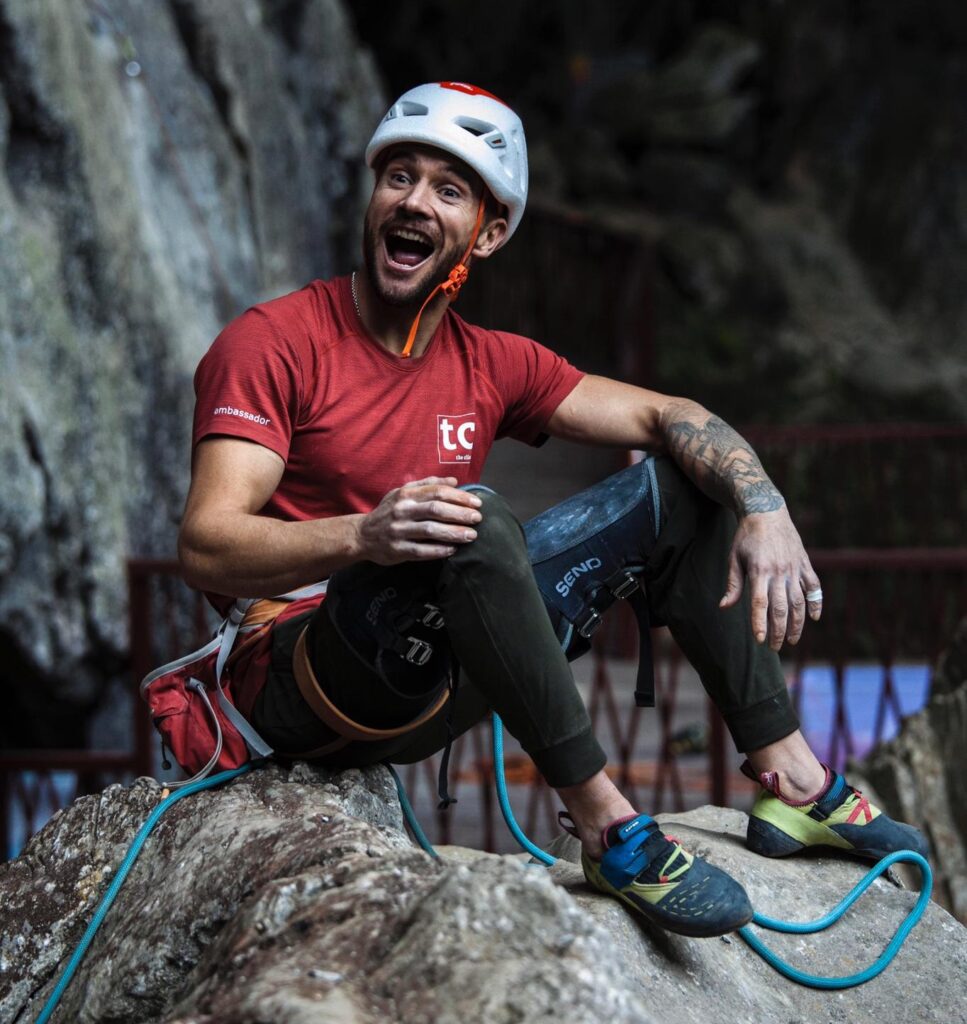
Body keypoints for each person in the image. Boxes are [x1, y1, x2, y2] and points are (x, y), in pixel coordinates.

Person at [178, 82, 927, 938]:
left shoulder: (491, 362)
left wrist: (765, 506)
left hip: (429, 667)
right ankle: (608, 830)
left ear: (488, 234)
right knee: (476, 516)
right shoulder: (274, 343)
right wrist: (365, 534)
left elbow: (669, 415)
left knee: (686, 480)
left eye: (448, 190)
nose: (413, 200)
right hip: (300, 672)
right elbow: (205, 545)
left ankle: (791, 779)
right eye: (398, 177)